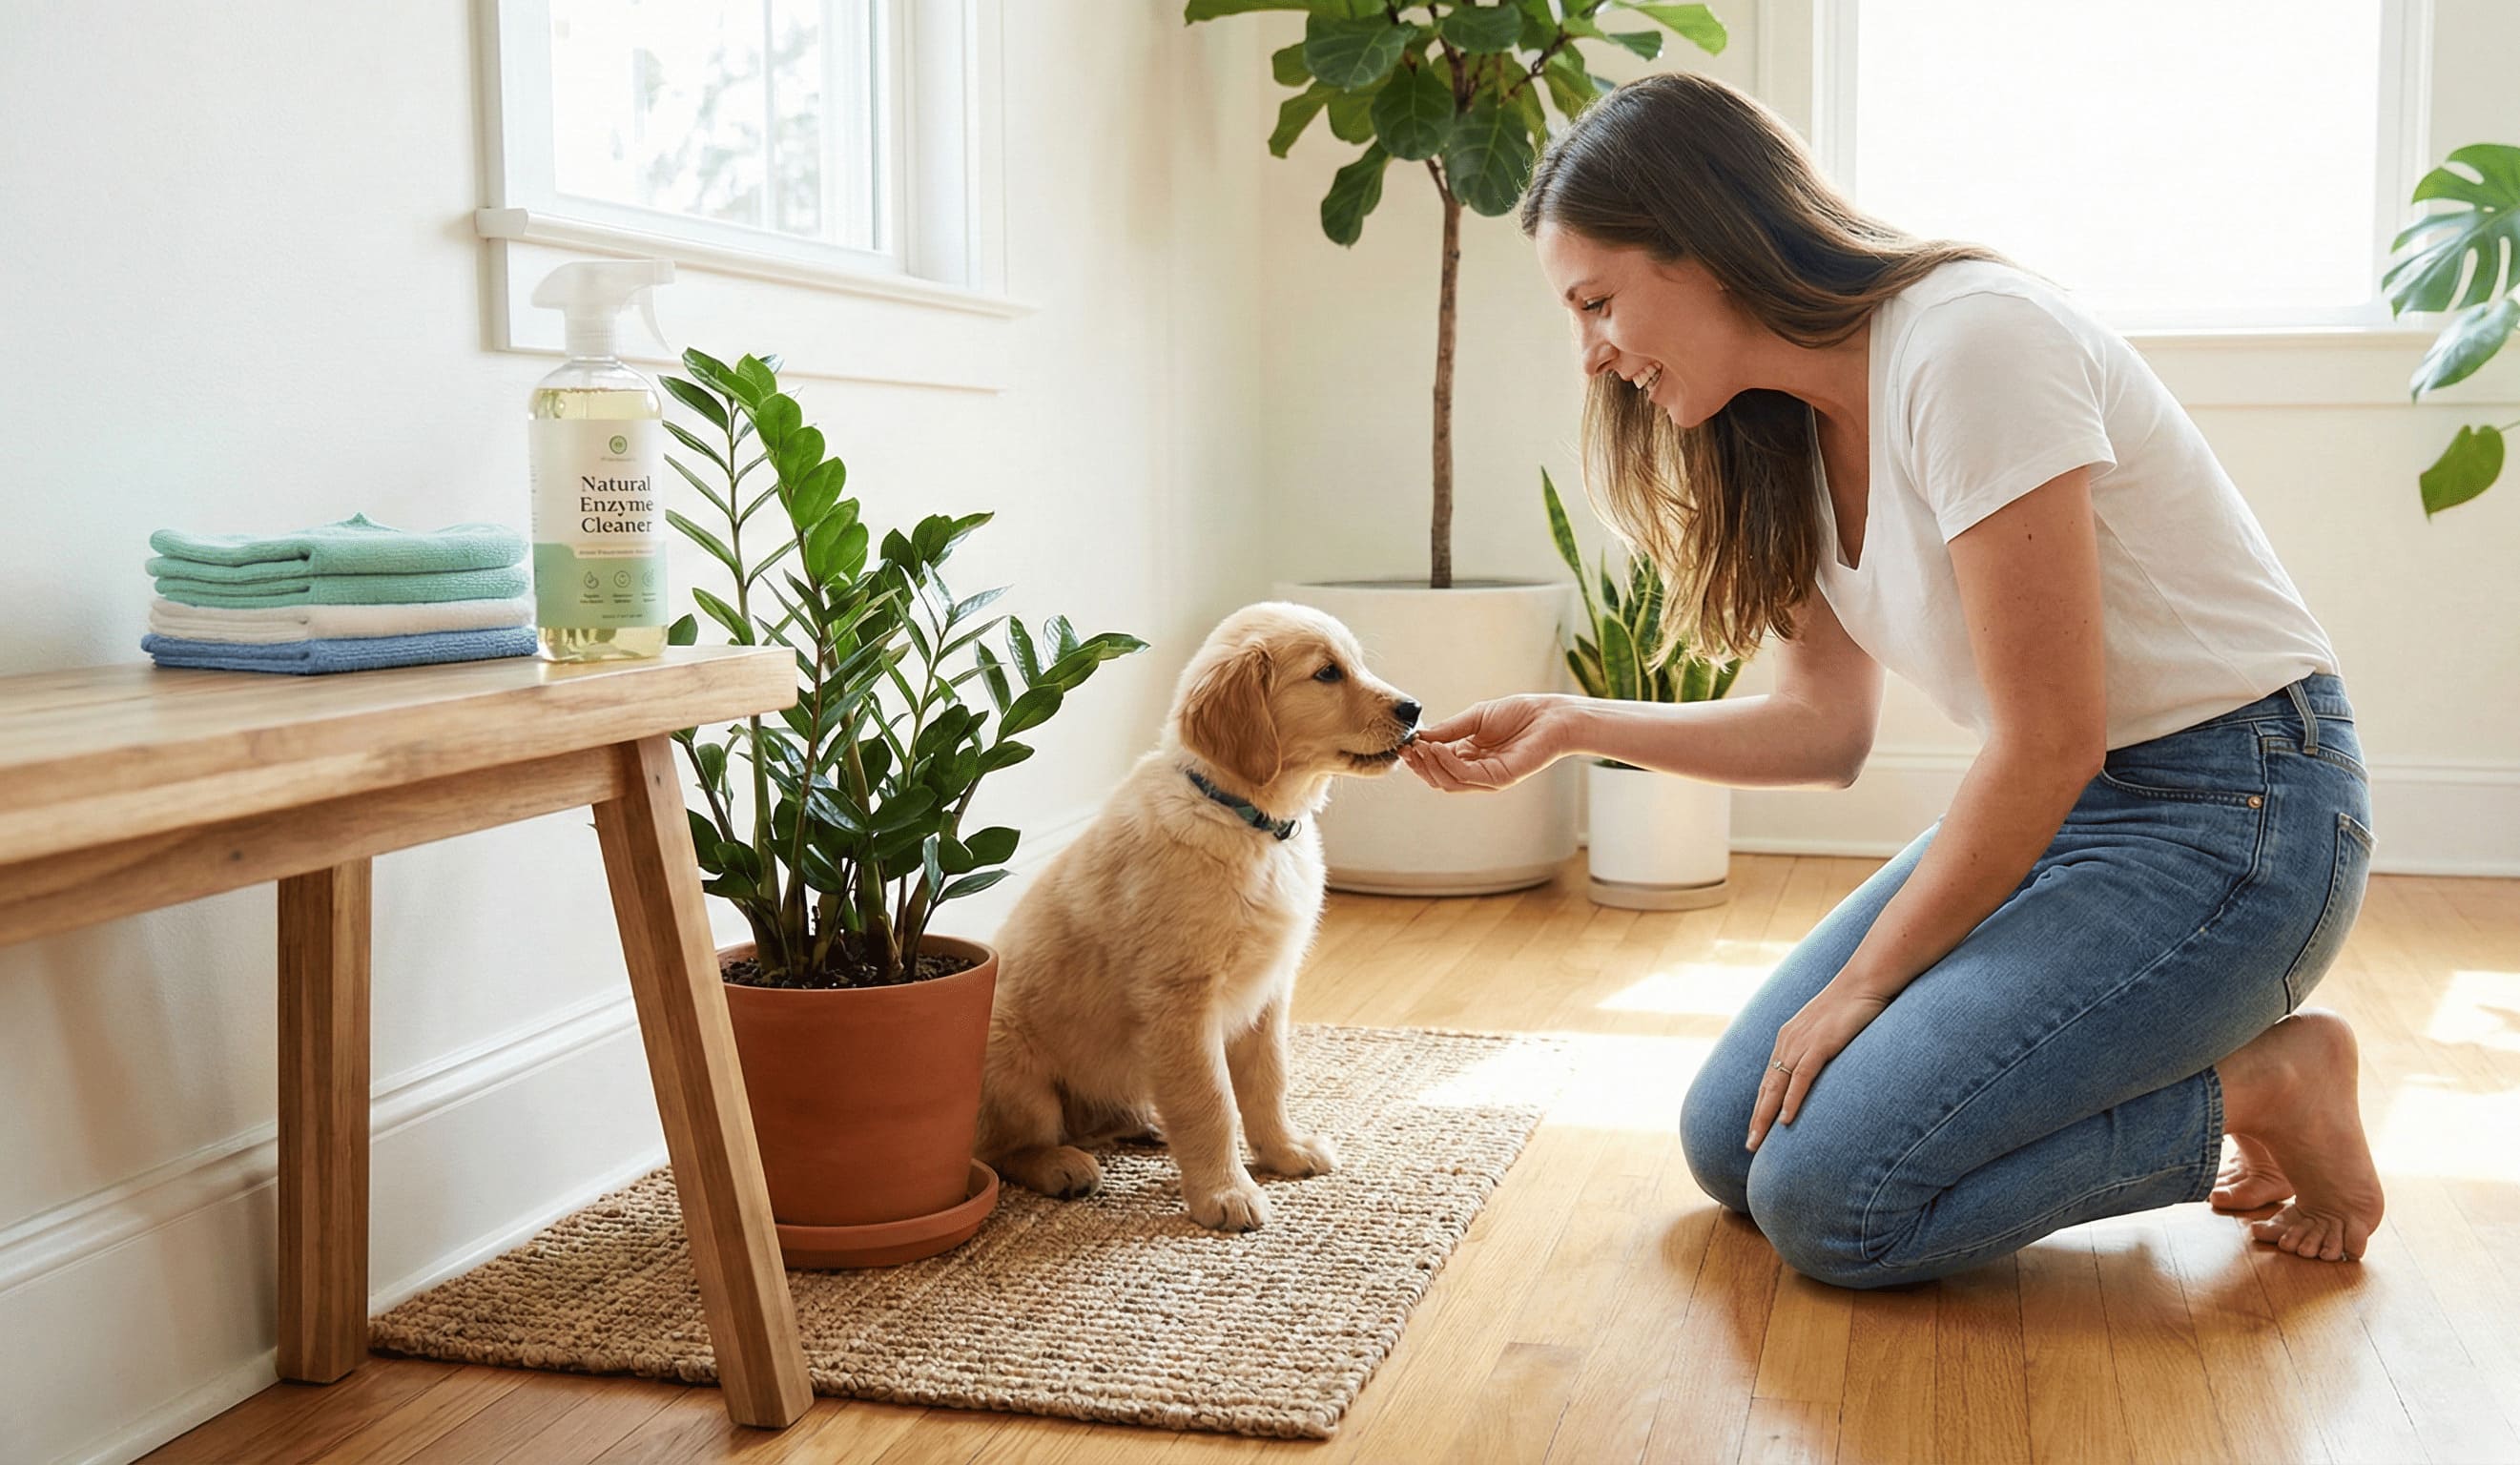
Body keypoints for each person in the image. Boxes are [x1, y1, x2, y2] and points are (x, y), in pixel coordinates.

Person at [1400, 72, 2383, 1287]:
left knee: (1832, 1206)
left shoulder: (1970, 342)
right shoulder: (1776, 430)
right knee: (1727, 1146)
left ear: (1704, 244)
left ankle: (2267, 1082)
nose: (1592, 357)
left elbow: (2049, 738)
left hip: (2238, 814)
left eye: (1596, 303)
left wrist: (1866, 986)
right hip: (2070, 813)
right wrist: (1566, 721)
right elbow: (1821, 730)